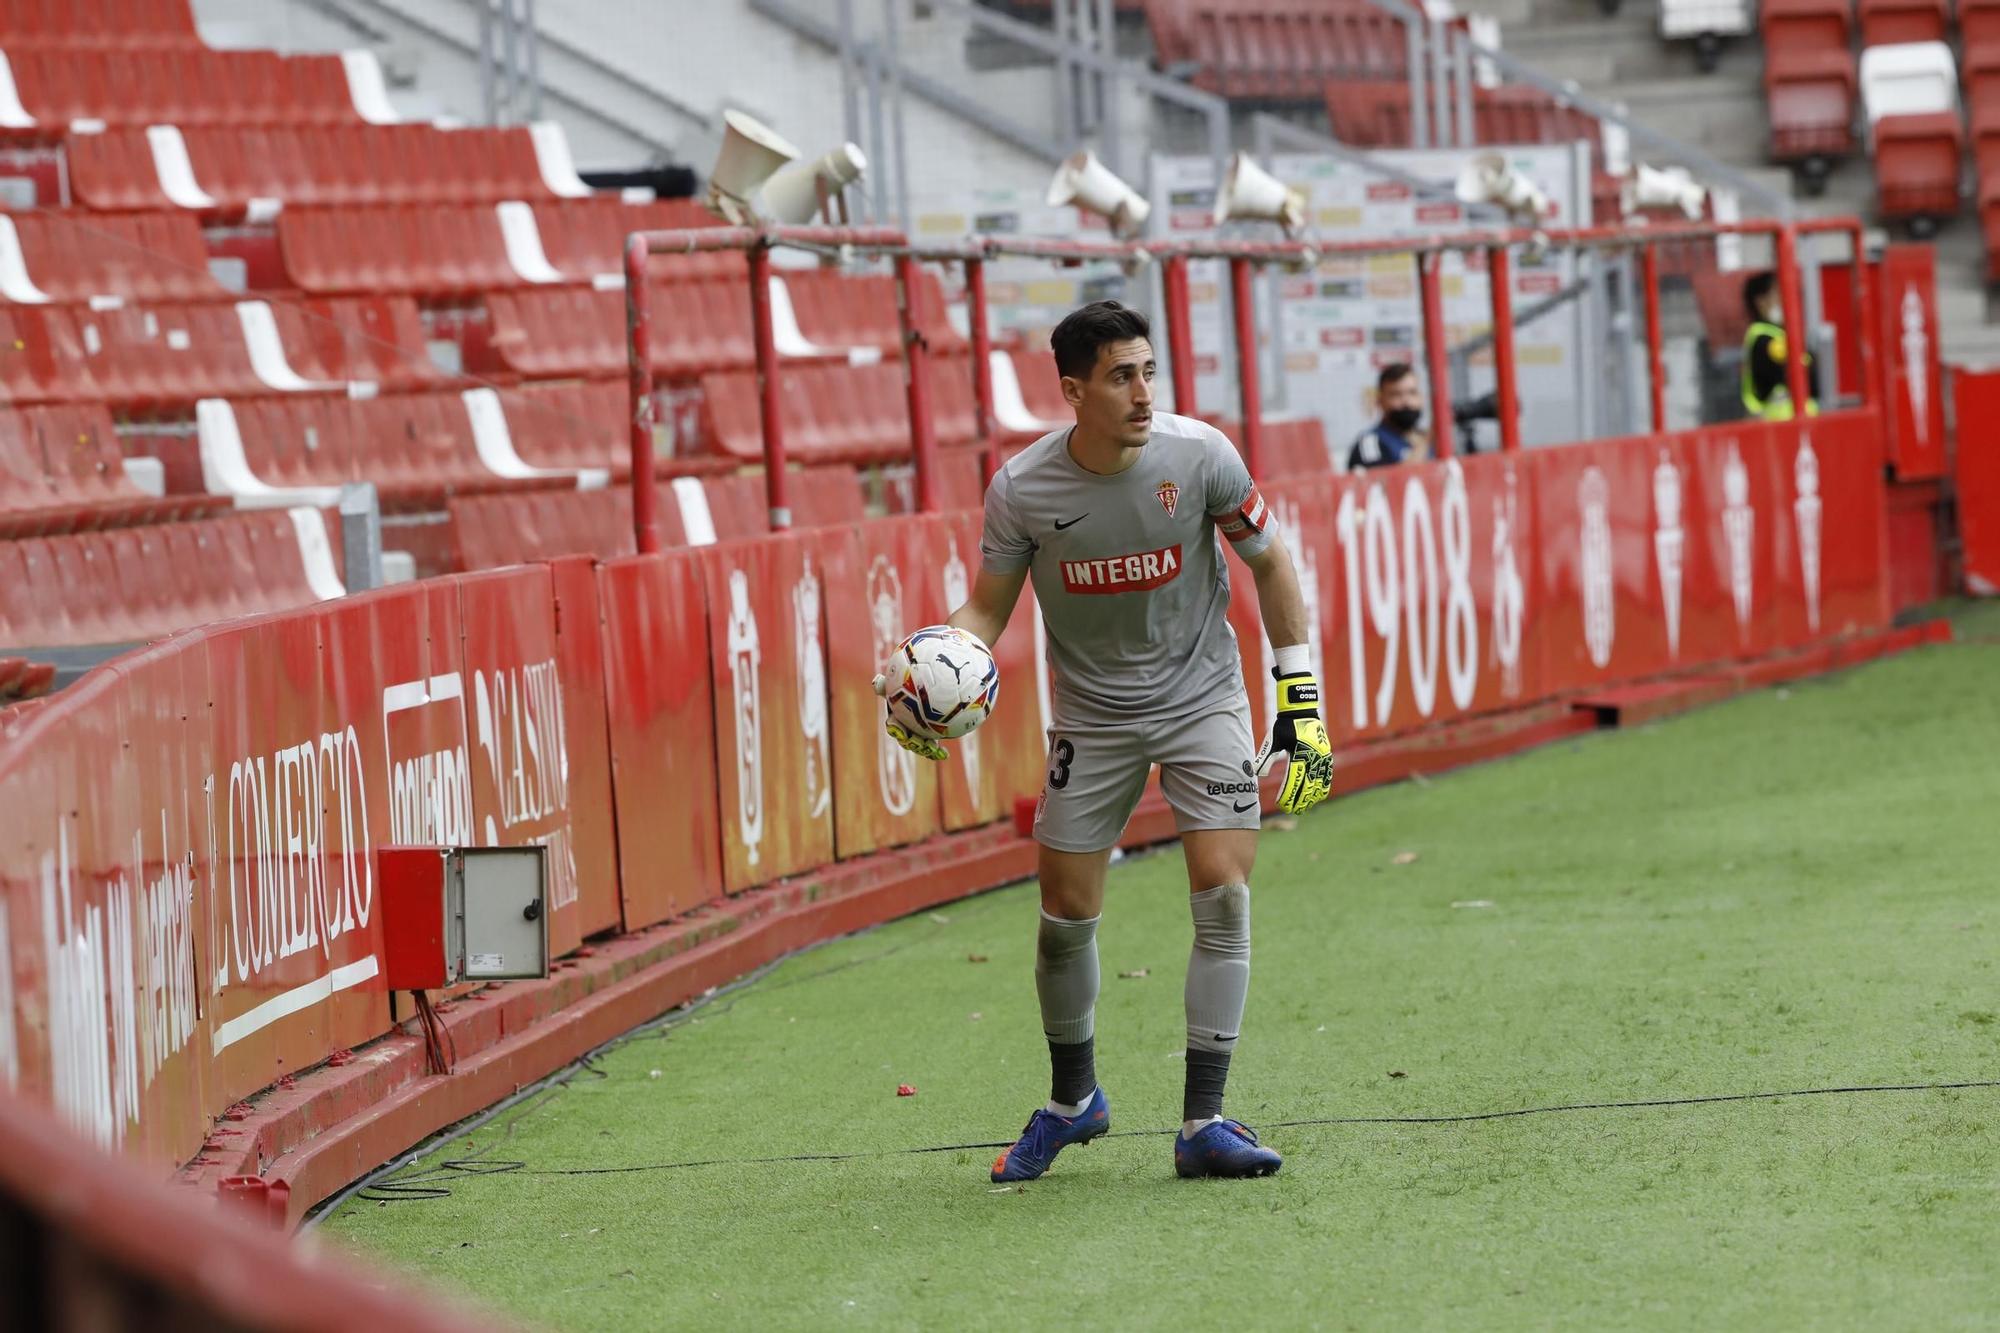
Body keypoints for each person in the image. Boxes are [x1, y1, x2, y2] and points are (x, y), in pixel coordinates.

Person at [881, 300, 1333, 1183]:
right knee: (1063, 918)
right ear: (1073, 390)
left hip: (1204, 699)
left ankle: (1205, 1120)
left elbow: (1271, 562)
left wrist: (1301, 698)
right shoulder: (1023, 489)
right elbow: (987, 607)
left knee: (1224, 894)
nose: (1143, 393)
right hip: (1091, 716)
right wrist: (922, 669)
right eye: (1122, 376)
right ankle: (1073, 1103)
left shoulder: (1201, 455)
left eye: (1149, 371)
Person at [1740, 271, 1819, 421]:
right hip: (1785, 424)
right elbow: (1810, 380)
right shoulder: (1767, 341)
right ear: (1761, 301)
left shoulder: (1777, 335)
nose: (1784, 300)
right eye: (1777, 294)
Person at [1347, 362, 1431, 470]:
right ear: (1380, 401)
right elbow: (1384, 478)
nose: (1406, 401)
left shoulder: (1428, 438)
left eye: (1412, 393)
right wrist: (1426, 443)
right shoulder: (1370, 442)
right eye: (1396, 394)